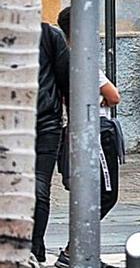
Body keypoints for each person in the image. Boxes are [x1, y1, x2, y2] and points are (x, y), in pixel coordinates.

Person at [52, 9, 124, 268]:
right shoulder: (85, 59)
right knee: (105, 194)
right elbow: (114, 96)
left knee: (90, 195)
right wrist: (100, 97)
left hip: (74, 131)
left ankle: (80, 252)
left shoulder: (62, 58)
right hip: (96, 132)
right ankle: (75, 251)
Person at [32, 24, 69, 264]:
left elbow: (67, 82)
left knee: (38, 187)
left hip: (46, 123)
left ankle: (34, 248)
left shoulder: (49, 36)